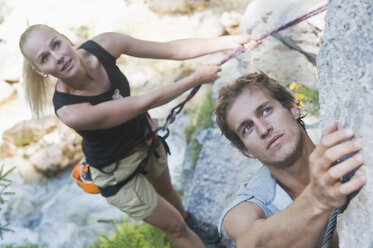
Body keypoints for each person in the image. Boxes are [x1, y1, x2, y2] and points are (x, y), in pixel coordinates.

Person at [18, 24, 260, 248]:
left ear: (65, 37)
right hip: (116, 172)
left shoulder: (106, 44)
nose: (57, 57)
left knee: (167, 191)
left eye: (56, 44)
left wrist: (231, 41)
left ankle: (189, 220)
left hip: (145, 139)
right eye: (45, 58)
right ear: (40, 71)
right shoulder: (70, 111)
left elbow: (172, 49)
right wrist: (196, 78)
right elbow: (144, 102)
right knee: (174, 227)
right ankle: (185, 228)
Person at [214, 71, 366, 248]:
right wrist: (316, 199)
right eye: (247, 128)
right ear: (246, 150)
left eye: (266, 110)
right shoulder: (243, 212)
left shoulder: (345, 148)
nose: (263, 129)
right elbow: (255, 242)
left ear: (294, 107)